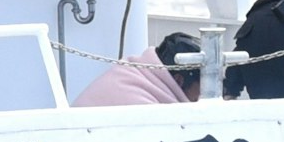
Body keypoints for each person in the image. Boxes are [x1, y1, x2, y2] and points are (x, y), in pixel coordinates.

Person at [73, 32, 205, 109]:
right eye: (203, 84)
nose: (201, 98)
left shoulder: (132, 74)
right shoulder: (143, 103)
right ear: (179, 80)